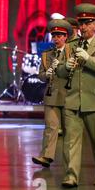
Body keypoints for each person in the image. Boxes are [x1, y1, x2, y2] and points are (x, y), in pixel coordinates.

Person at [57, 3, 95, 188]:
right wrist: (65, 68)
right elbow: (59, 71)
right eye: (81, 23)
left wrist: (88, 60)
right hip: (73, 100)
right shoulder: (71, 45)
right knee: (70, 141)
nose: (82, 27)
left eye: (87, 23)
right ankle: (71, 176)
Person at [32, 19, 72, 168]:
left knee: (70, 131)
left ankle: (71, 162)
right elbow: (40, 76)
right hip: (52, 95)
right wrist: (46, 74)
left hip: (69, 95)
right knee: (50, 127)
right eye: (54, 35)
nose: (56, 39)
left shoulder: (71, 52)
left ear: (65, 37)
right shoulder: (46, 55)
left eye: (59, 36)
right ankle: (46, 156)